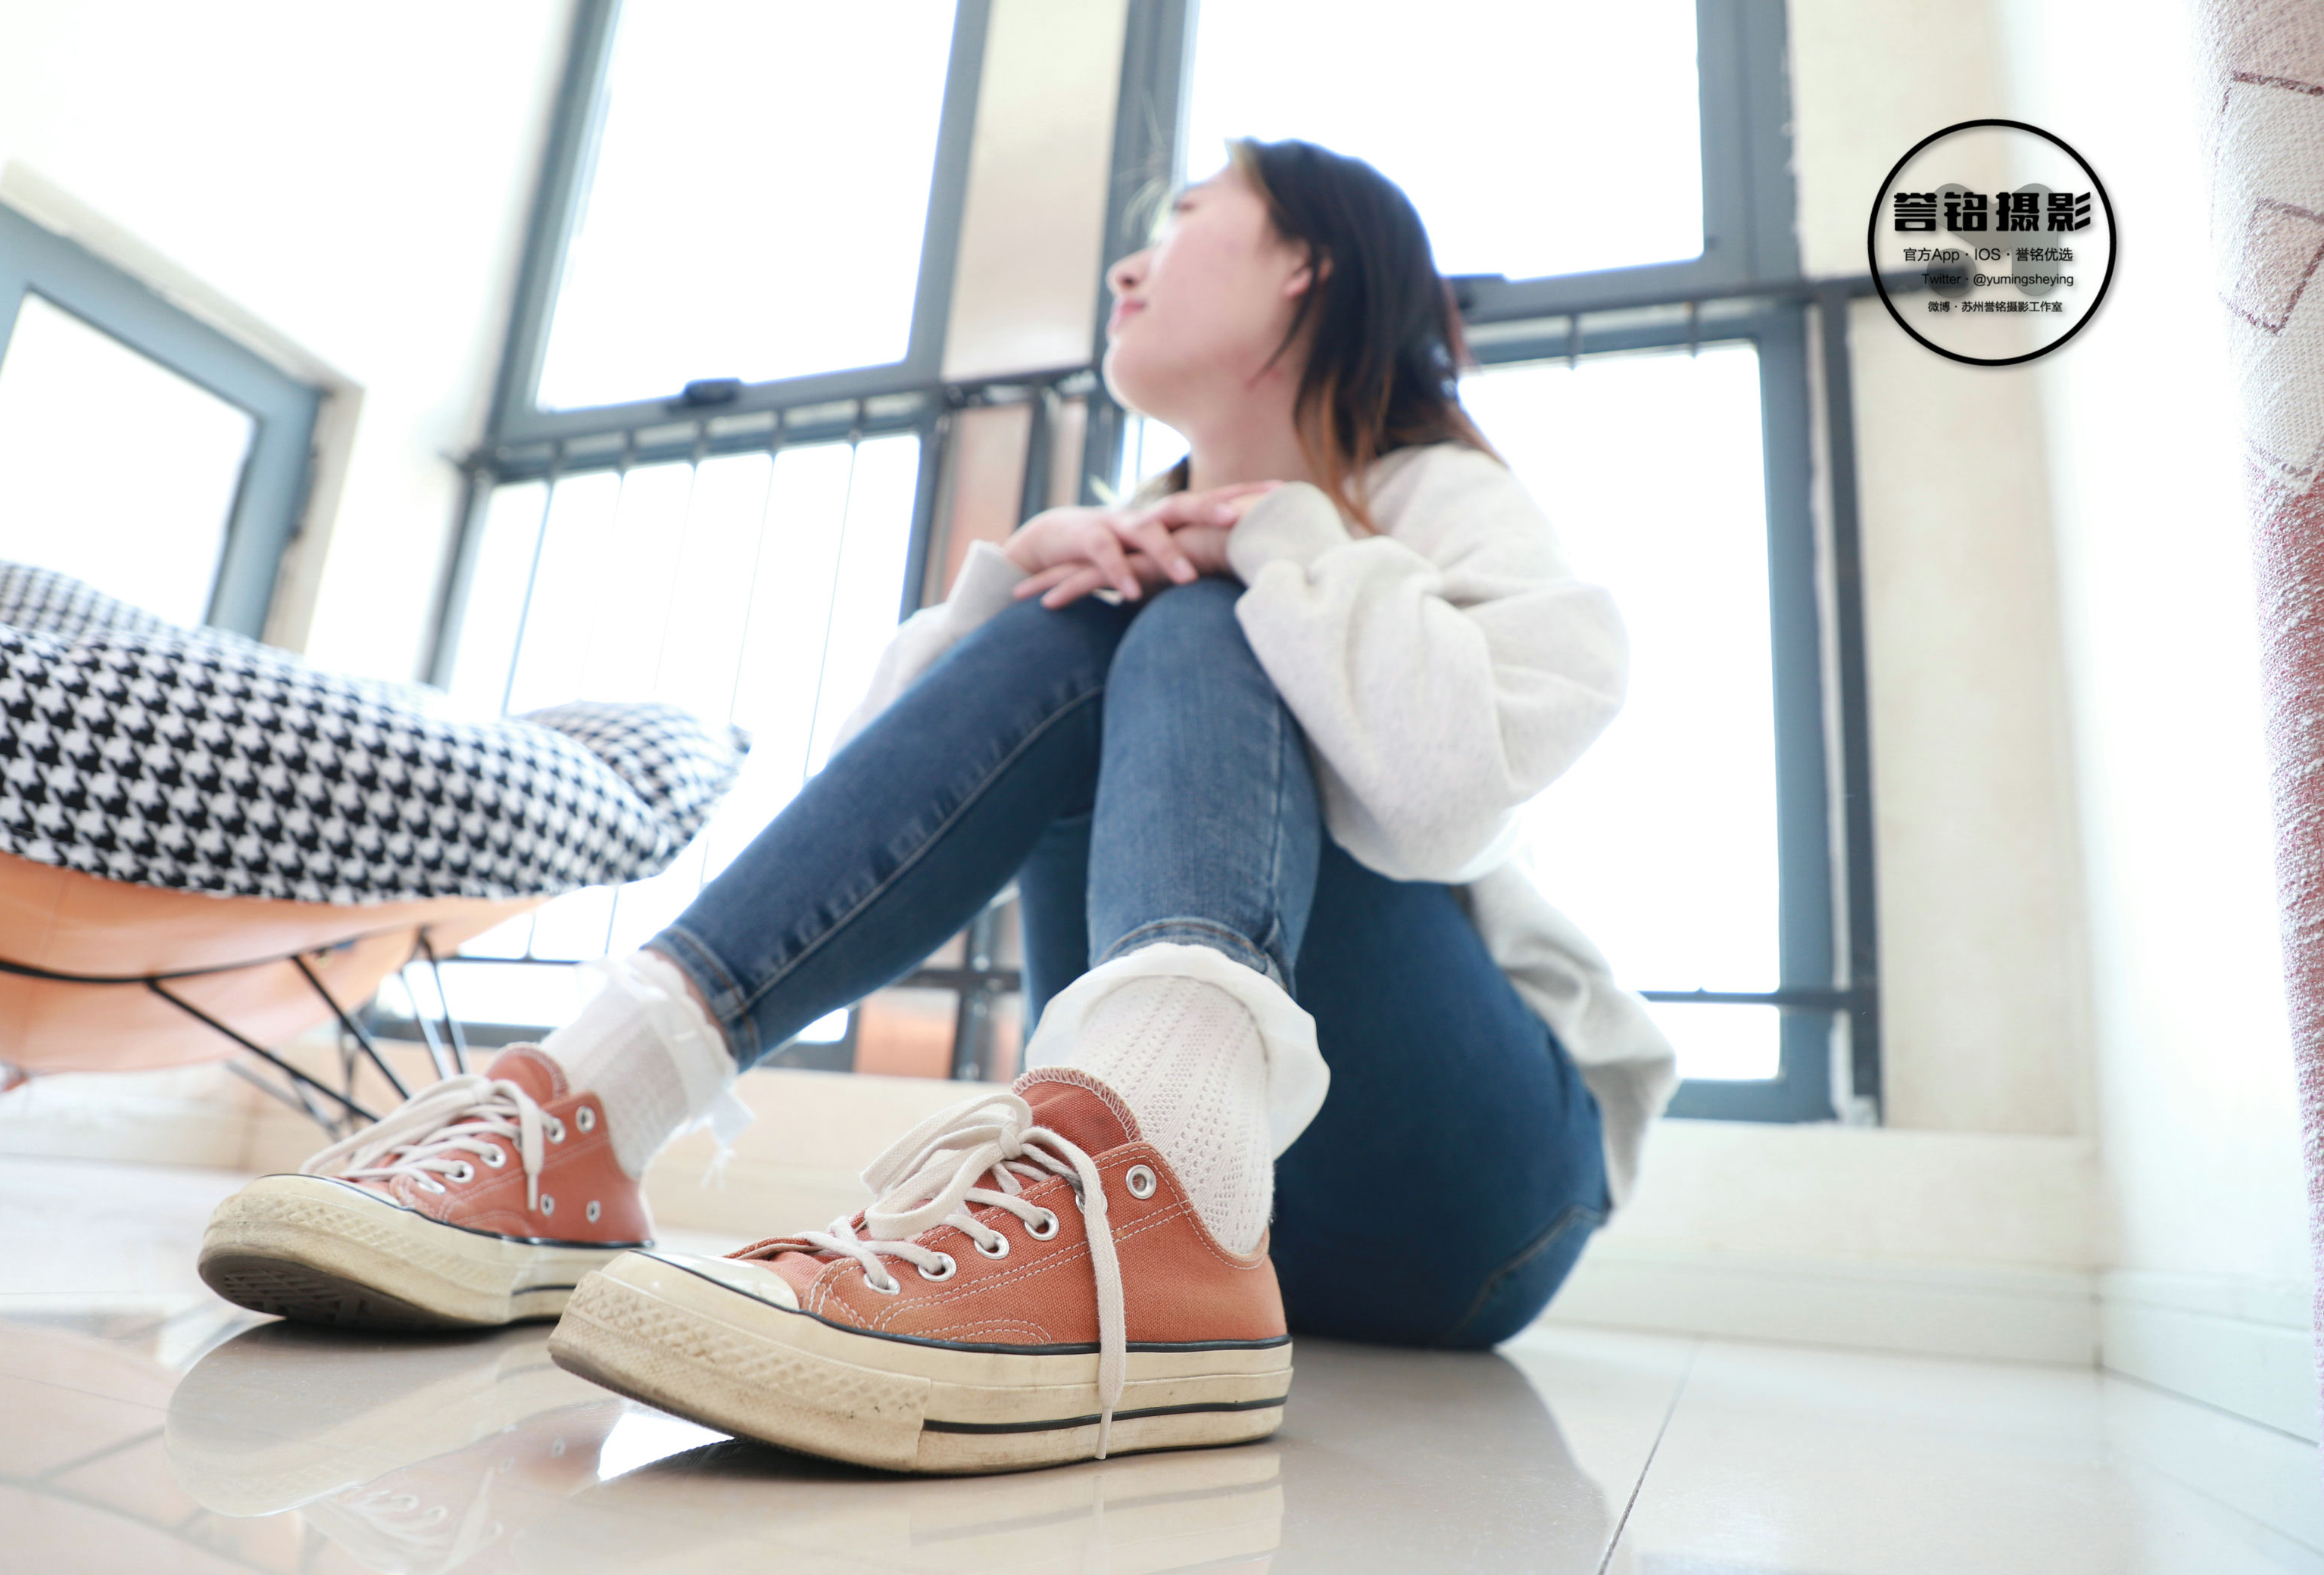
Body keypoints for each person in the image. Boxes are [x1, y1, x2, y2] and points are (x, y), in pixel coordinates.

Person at [196, 136, 1678, 1473]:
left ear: (1308, 263)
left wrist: (1272, 537)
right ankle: (591, 1114)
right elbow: (900, 823)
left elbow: (1448, 801)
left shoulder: (1436, 493)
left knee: (1185, 614)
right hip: (1259, 1236)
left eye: (1184, 217)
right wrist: (1014, 581)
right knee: (1089, 610)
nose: (1129, 266)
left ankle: (1160, 1160)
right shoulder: (1128, 545)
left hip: (1473, 1199)